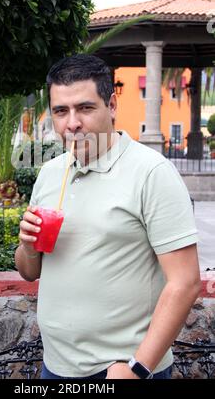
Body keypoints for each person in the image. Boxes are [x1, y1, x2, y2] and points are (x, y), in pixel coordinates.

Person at [15, 54, 201, 380]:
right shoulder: (49, 174)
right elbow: (30, 271)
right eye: (61, 111)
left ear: (112, 105)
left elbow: (185, 282)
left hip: (121, 370)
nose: (72, 122)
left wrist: (138, 367)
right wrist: (28, 247)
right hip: (55, 367)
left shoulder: (151, 173)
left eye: (85, 108)